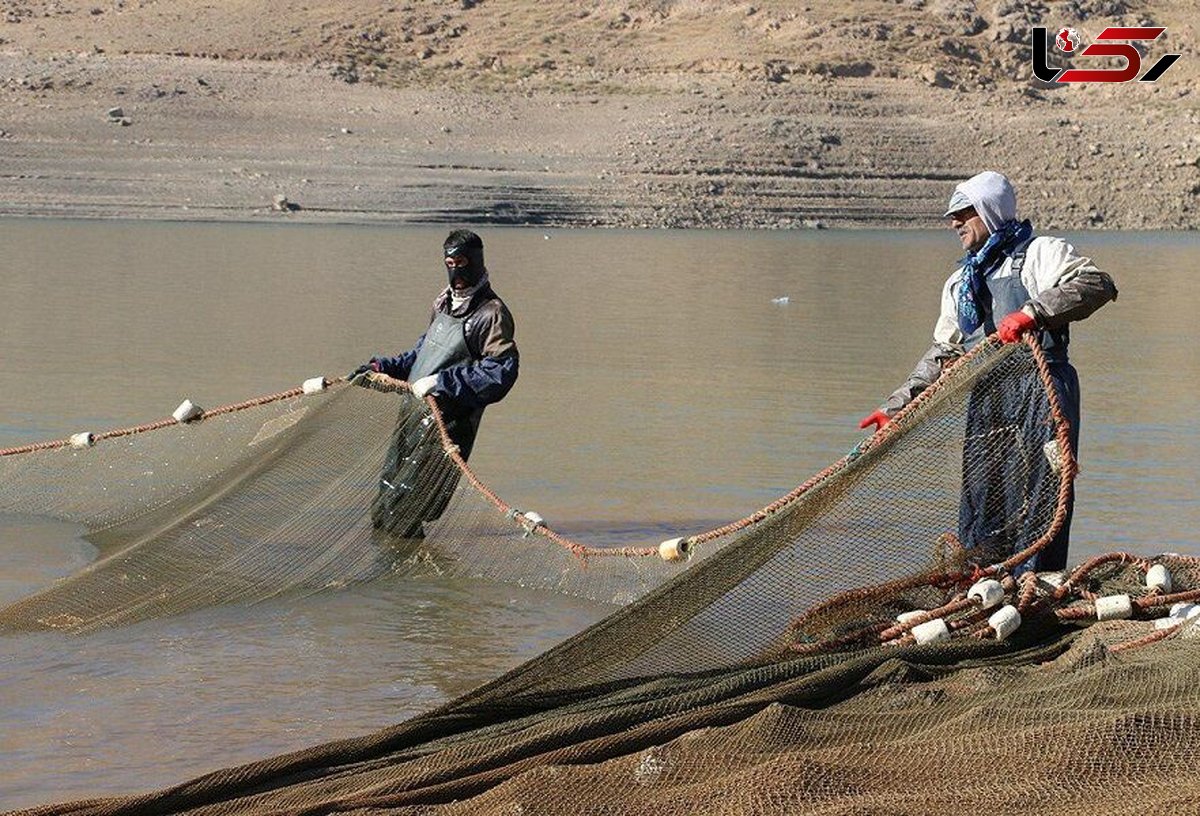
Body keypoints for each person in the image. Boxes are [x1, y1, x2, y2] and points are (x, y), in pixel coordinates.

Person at [857, 171, 1117, 572]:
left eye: (964, 212)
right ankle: (986, 583)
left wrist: (1033, 313)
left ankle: (1034, 583)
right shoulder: (961, 282)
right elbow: (945, 351)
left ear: (991, 212)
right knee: (985, 493)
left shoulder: (1040, 253)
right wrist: (896, 408)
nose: (954, 222)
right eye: (952, 215)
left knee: (1041, 492)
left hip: (1042, 389)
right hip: (989, 397)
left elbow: (1097, 284)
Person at [351, 229, 519, 536]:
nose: (456, 269)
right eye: (450, 262)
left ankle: (403, 575)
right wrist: (381, 367)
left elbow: (500, 375)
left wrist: (443, 381)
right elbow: (422, 353)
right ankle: (403, 580)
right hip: (412, 419)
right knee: (384, 506)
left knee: (405, 511)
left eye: (463, 261)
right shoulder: (442, 303)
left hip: (446, 427)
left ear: (477, 261)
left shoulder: (491, 314)